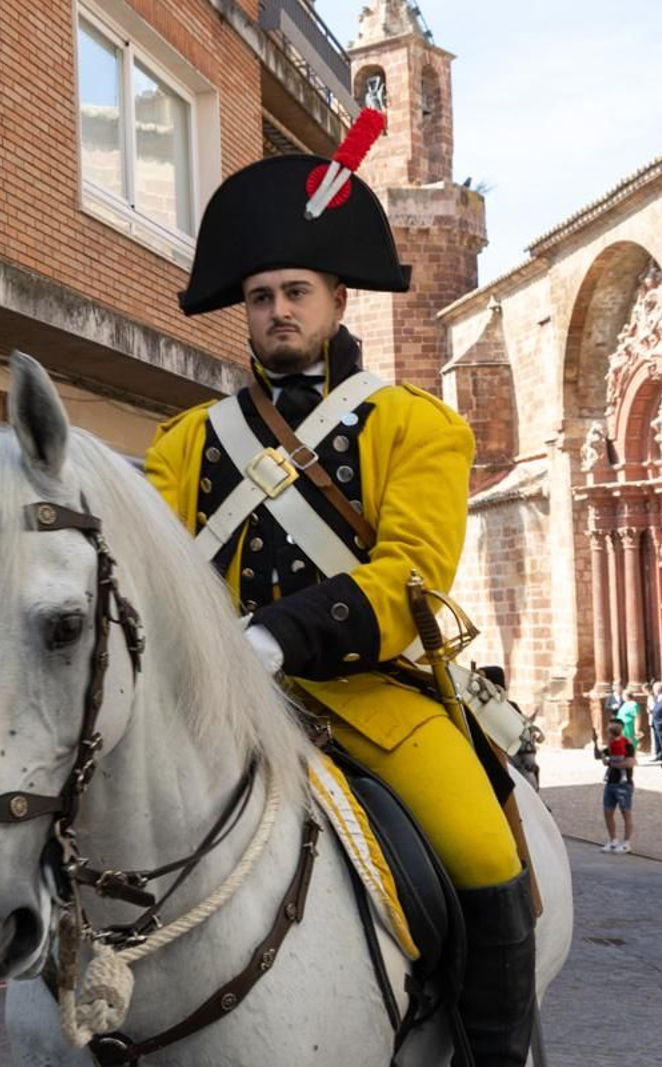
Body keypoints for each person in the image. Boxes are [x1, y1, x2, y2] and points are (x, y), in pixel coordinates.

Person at [144, 109, 536, 1062]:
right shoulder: (185, 442)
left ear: (337, 302)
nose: (277, 310)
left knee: (487, 856)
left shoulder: (419, 427)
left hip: (372, 699)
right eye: (261, 295)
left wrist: (278, 636)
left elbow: (410, 579)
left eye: (297, 291)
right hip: (218, 707)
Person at [597, 719, 635, 854]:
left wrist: (613, 764)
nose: (609, 736)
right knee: (608, 812)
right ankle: (613, 840)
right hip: (611, 783)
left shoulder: (627, 745)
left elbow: (630, 762)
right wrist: (602, 756)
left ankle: (626, 842)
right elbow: (602, 756)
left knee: (626, 813)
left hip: (623, 785)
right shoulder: (611, 745)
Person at [616, 686, 642, 757]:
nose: (622, 697)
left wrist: (637, 729)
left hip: (629, 726)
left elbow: (637, 717)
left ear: (627, 696)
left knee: (630, 742)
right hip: (622, 727)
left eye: (623, 695)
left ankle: (632, 757)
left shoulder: (634, 704)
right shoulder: (624, 704)